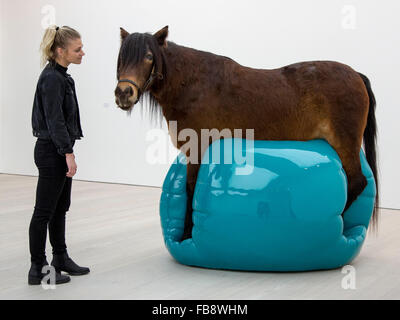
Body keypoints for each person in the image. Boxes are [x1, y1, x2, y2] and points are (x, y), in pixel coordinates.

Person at [29, 25, 89, 285]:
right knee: (44, 211)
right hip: (51, 151)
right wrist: (67, 152)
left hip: (57, 150)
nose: (82, 53)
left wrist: (67, 150)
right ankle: (38, 269)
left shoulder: (62, 76)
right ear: (60, 50)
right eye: (77, 49)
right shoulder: (53, 78)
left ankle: (60, 258)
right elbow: (55, 121)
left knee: (59, 208)